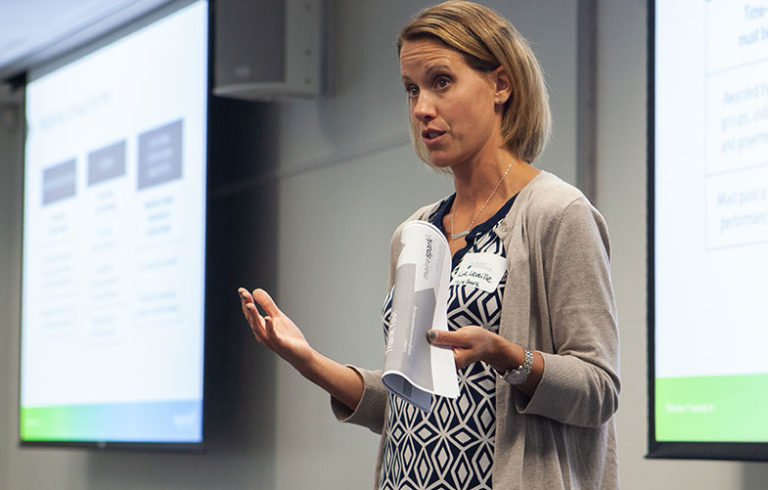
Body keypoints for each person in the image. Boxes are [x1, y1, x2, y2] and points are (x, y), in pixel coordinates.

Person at [238, 1, 620, 488]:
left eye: (441, 82)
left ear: (500, 85)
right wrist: (308, 360)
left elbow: (600, 390)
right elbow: (408, 403)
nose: (422, 108)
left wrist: (507, 355)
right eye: (412, 89)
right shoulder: (415, 233)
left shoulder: (557, 214)